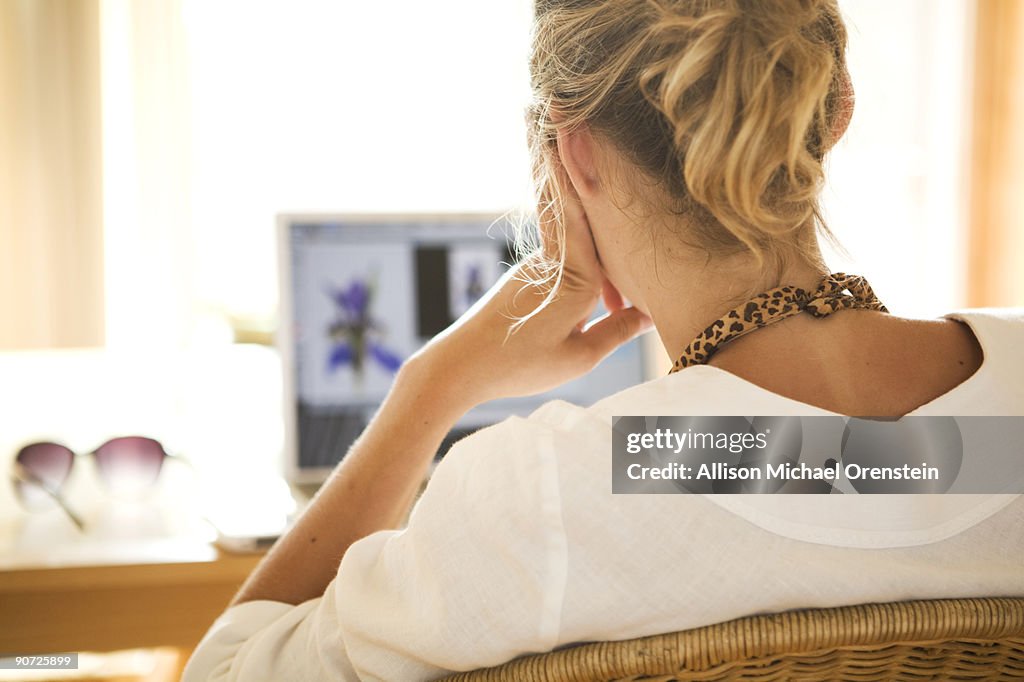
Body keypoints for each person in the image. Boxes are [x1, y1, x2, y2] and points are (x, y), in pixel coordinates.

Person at [183, 0, 1024, 679]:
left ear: (574, 153)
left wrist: (431, 387)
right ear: (837, 107)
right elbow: (852, 470)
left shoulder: (549, 492)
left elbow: (226, 670)